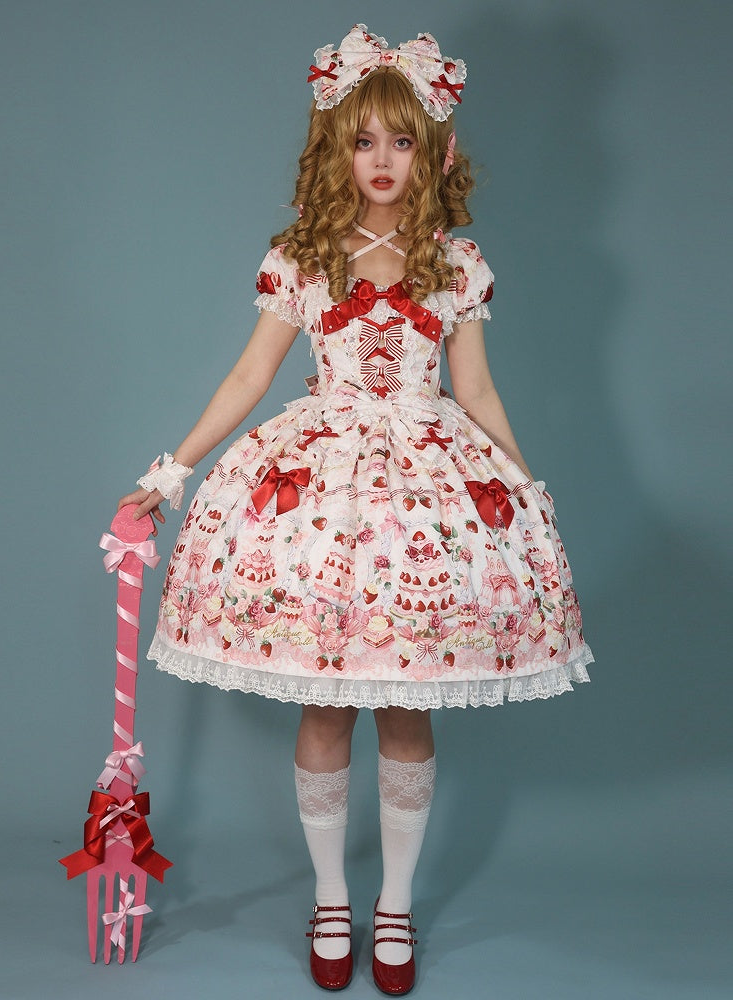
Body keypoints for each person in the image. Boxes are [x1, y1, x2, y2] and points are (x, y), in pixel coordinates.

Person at [119, 25, 594, 995]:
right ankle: (333, 896)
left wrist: (524, 483)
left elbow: (476, 390)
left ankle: (397, 904)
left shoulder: (456, 263)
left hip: (425, 489)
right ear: (336, 148)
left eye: (402, 141)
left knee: (408, 705)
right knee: (327, 698)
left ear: (434, 152)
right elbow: (251, 374)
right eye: (364, 140)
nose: (382, 160)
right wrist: (170, 472)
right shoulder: (303, 256)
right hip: (325, 496)